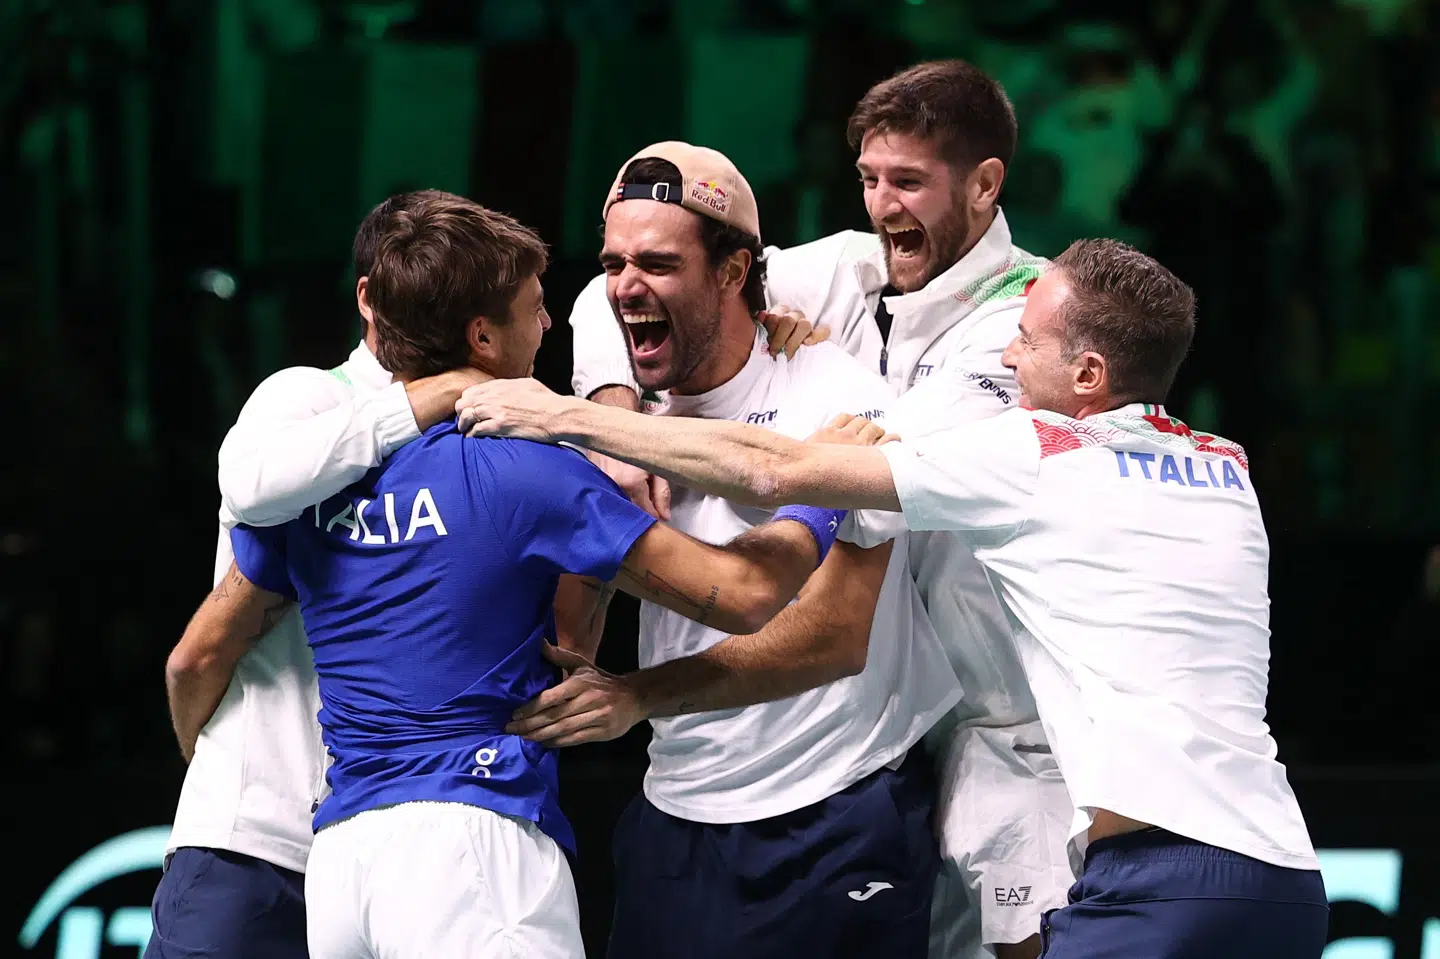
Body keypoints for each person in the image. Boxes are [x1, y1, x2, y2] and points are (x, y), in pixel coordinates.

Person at [457, 237, 1330, 958]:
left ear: (1091, 374)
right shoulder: (1226, 464)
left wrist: (564, 415)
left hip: (1161, 887)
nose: (1007, 354)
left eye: (1026, 338)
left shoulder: (1035, 454)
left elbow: (770, 468)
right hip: (1283, 880)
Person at [201, 191, 848, 958]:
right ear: (482, 335)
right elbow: (743, 597)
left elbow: (198, 648)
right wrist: (824, 485)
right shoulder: (527, 470)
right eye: (535, 308)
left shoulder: (309, 481)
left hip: (342, 866)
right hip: (471, 850)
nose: (547, 326)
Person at [568, 60, 1069, 959]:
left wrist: (781, 376)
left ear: (987, 184)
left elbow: (833, 466)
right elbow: (629, 286)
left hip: (1004, 723)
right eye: (870, 178)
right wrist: (611, 420)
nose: (884, 206)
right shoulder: (847, 268)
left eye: (910, 182)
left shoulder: (1028, 322)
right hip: (880, 720)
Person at [515, 141, 958, 959]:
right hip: (676, 808)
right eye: (615, 263)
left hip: (832, 811)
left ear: (731, 272)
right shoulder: (624, 420)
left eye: (656, 263)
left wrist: (638, 695)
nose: (626, 286)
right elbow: (577, 622)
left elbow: (839, 634)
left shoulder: (837, 397)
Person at [148, 190, 492, 959]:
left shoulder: (488, 442)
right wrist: (425, 397)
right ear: (367, 296)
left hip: (398, 860)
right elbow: (248, 484)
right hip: (255, 848)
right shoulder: (305, 396)